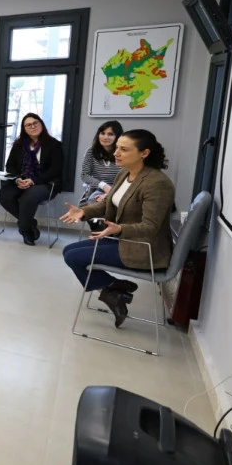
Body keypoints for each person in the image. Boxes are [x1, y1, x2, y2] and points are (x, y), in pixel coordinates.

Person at [60, 130, 176, 327]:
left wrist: (119, 229)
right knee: (68, 251)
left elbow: (151, 226)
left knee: (74, 257)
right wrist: (83, 212)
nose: (116, 153)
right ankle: (113, 291)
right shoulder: (125, 173)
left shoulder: (157, 184)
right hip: (123, 239)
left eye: (124, 149)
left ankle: (112, 291)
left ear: (144, 153)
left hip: (143, 248)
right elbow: (108, 205)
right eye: (117, 148)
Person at [0, 113, 64, 246]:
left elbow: (55, 170)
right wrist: (18, 179)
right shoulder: (18, 145)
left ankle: (25, 230)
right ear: (24, 128)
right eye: (28, 125)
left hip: (45, 182)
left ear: (41, 124)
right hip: (22, 180)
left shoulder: (54, 145)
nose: (33, 126)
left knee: (29, 196)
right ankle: (30, 223)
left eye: (35, 123)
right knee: (3, 195)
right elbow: (9, 166)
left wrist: (33, 180)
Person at [80, 120, 124, 204]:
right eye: (102, 133)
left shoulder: (123, 153)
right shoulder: (91, 152)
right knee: (94, 200)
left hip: (120, 189)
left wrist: (110, 193)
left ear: (117, 137)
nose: (105, 137)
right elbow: (84, 176)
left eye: (110, 134)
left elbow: (128, 177)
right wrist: (103, 186)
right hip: (97, 189)